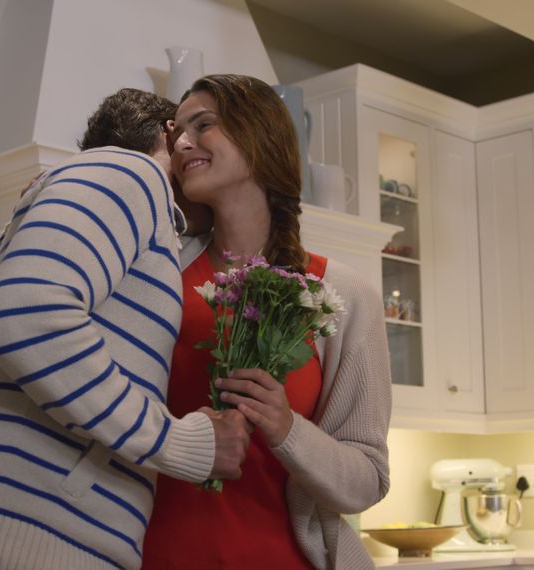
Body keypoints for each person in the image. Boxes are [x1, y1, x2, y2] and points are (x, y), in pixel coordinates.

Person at [0, 88, 251, 570]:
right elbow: (25, 310)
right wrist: (178, 443)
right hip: (25, 544)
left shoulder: (105, 194)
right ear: (168, 138)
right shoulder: (133, 172)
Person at [141, 74, 393, 569]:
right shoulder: (159, 279)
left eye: (203, 125)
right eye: (177, 136)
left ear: (259, 138)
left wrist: (286, 429)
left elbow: (367, 478)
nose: (183, 143)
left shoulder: (344, 297)